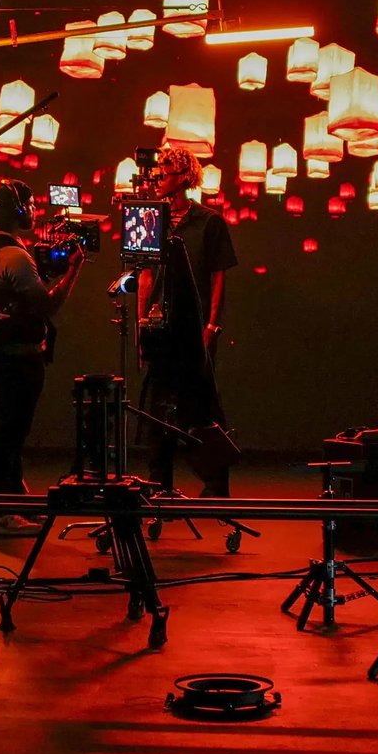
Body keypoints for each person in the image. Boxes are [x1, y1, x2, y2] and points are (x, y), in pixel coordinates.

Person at [0, 177, 86, 534]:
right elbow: (47, 305)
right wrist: (75, 268)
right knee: (8, 433)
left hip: (4, 353)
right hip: (18, 358)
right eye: (31, 205)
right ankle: (1, 513)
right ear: (19, 209)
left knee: (10, 431)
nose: (35, 211)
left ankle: (14, 501)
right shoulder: (14, 256)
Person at [134, 147, 237, 496]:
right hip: (161, 328)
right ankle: (158, 480)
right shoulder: (152, 221)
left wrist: (212, 326)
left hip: (194, 329)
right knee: (157, 406)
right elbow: (145, 275)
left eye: (165, 173)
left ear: (183, 178)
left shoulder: (209, 221)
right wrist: (140, 325)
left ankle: (216, 482)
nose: (157, 179)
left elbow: (218, 278)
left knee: (202, 405)